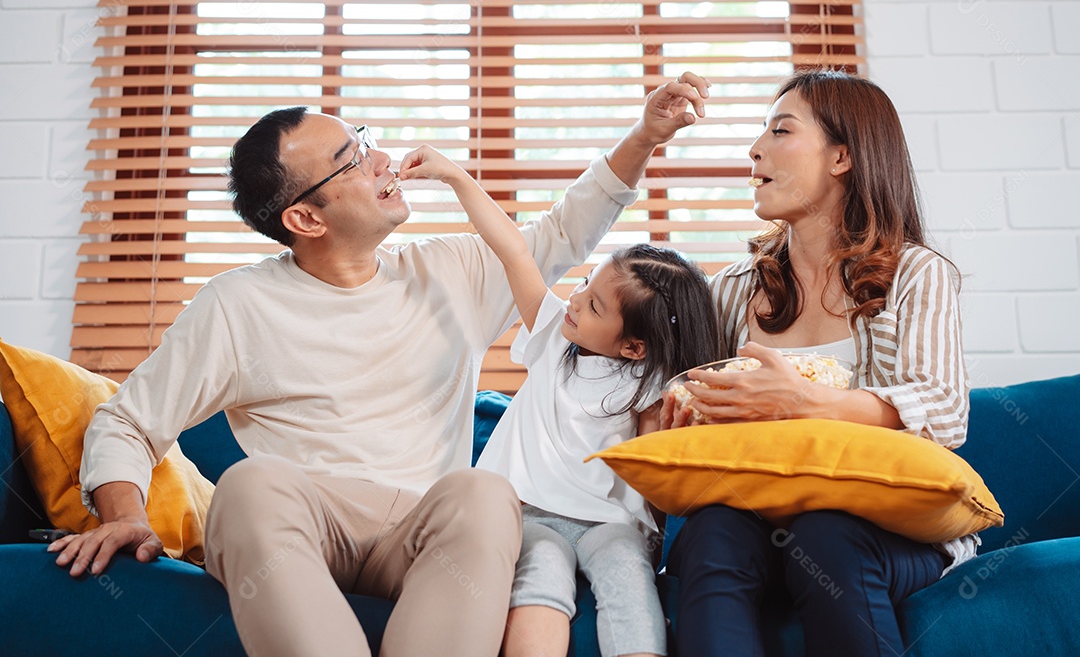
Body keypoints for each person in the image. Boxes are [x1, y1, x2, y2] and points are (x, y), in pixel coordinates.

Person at [49, 75, 710, 657]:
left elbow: (560, 237)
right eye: (352, 160)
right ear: (306, 217)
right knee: (248, 487)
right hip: (309, 523)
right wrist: (123, 515)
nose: (384, 161)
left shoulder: (450, 270)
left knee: (486, 494)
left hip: (428, 536)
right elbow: (129, 423)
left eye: (365, 142)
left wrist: (644, 136)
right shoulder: (236, 304)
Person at [660, 70, 971, 657]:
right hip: (758, 516)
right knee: (709, 535)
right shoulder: (729, 290)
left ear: (843, 156)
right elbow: (686, 407)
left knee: (826, 533)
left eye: (780, 130)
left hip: (881, 524)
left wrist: (803, 403)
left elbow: (945, 411)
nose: (755, 149)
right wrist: (680, 422)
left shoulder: (915, 273)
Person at [397, 146, 719, 657]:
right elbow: (513, 250)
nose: (573, 298)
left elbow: (654, 471)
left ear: (634, 346)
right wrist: (455, 176)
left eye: (592, 304)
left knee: (630, 581)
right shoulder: (552, 337)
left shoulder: (654, 384)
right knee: (539, 582)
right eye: (585, 283)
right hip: (529, 515)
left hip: (610, 522)